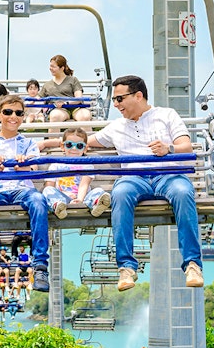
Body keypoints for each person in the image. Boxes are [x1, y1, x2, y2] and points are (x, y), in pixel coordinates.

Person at [86, 75, 203, 291]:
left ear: (138, 96)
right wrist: (50, 143)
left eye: (120, 99)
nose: (116, 105)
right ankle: (126, 268)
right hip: (134, 177)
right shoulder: (116, 127)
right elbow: (86, 142)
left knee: (183, 192)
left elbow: (186, 146)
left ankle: (193, 264)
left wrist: (168, 149)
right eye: (114, 100)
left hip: (166, 174)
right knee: (119, 194)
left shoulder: (166, 115)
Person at [0, 95, 50, 294]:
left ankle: (40, 265)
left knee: (38, 200)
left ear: (23, 117)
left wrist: (24, 162)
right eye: (8, 112)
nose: (13, 117)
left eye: (18, 113)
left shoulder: (29, 143)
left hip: (23, 188)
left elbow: (33, 167)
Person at [41, 126, 112, 219]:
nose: (74, 148)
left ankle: (96, 205)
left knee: (98, 191)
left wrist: (79, 200)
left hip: (83, 197)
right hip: (62, 198)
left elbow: (84, 185)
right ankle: (57, 206)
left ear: (85, 148)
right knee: (47, 191)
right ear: (62, 146)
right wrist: (65, 195)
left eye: (79, 146)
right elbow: (49, 185)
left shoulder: (87, 165)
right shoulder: (56, 165)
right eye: (69, 145)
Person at [40, 54, 92, 122]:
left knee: (85, 116)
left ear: (62, 68)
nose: (50, 68)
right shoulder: (47, 85)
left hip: (75, 108)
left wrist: (65, 103)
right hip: (58, 110)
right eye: (50, 66)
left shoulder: (73, 80)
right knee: (55, 116)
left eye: (53, 66)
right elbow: (40, 100)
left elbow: (79, 98)